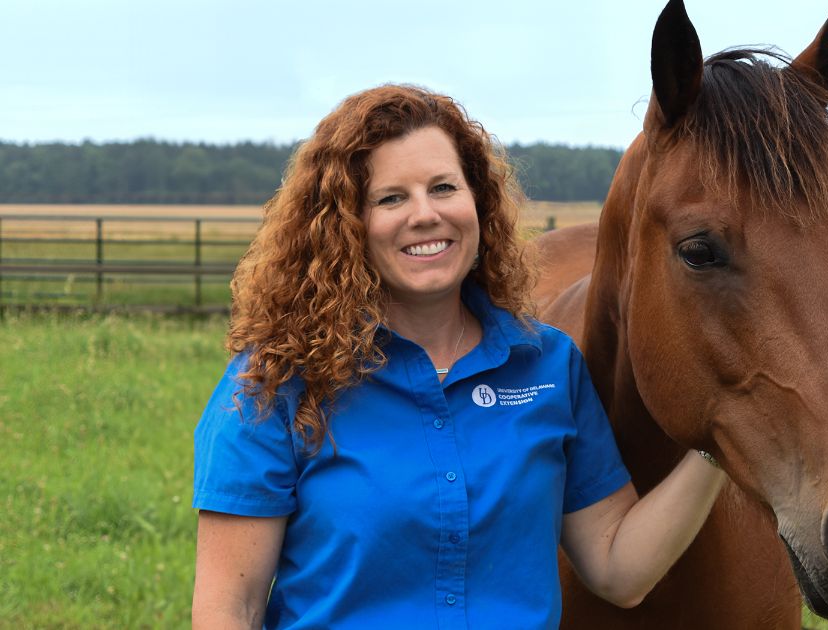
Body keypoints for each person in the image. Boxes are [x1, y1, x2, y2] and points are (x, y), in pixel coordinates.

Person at [191, 84, 726, 629]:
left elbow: (618, 567)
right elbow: (229, 609)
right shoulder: (274, 383)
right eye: (390, 198)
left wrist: (719, 439)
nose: (425, 215)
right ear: (344, 225)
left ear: (478, 202)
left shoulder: (547, 366)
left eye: (443, 187)